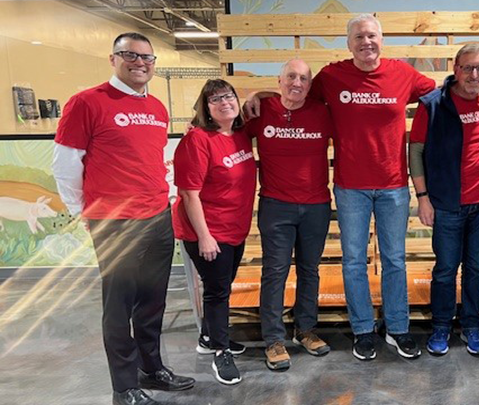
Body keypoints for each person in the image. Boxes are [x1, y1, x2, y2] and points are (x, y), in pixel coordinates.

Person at [245, 13, 438, 361]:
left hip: (394, 185)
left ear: (381, 40)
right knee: (353, 262)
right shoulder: (332, 76)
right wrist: (260, 93)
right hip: (350, 188)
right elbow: (295, 92)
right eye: (359, 37)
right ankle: (363, 330)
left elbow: (441, 93)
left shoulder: (403, 74)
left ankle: (398, 329)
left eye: (372, 36)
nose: (366, 42)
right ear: (348, 44)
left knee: (394, 260)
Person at [52, 32, 195, 405]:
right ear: (113, 58)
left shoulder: (157, 109)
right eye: (130, 55)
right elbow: (66, 165)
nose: (140, 63)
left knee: (153, 302)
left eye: (147, 58)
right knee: (119, 307)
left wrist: (166, 196)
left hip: (157, 216)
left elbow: (154, 160)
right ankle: (124, 387)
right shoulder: (87, 103)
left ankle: (152, 369)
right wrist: (79, 211)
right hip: (116, 223)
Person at [408, 43, 479, 356]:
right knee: (446, 269)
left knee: (476, 269)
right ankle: (442, 326)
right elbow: (416, 150)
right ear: (455, 68)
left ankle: (471, 324)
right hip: (446, 205)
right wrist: (423, 197)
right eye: (468, 68)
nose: (475, 74)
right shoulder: (433, 104)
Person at [244, 59, 333, 371]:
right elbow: (224, 127)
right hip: (275, 206)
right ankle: (273, 339)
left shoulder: (323, 112)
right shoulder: (260, 110)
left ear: (310, 85)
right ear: (279, 80)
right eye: (291, 77)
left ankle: (305, 330)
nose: (297, 83)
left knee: (310, 271)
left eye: (304, 79)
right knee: (275, 272)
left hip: (316, 206)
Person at [172, 79, 256, 385]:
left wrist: (257, 93)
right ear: (205, 107)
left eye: (229, 96)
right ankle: (221, 353)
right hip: (206, 231)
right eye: (215, 99)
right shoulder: (196, 140)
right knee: (218, 291)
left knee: (222, 285)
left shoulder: (241, 134)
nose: (225, 102)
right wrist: (205, 236)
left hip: (234, 227)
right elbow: (189, 194)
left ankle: (209, 337)